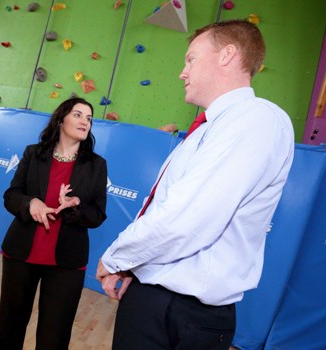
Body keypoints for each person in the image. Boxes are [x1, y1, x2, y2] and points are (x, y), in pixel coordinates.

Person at [96, 19, 295, 350]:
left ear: (227, 55)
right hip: (154, 297)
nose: (182, 72)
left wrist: (117, 258)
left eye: (191, 59)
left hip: (183, 311)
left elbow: (187, 219)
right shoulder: (205, 130)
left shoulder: (256, 118)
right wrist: (134, 268)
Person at [0, 97, 108, 350]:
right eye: (78, 115)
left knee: (54, 337)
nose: (84, 122)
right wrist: (31, 203)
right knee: (9, 328)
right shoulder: (34, 154)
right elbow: (11, 196)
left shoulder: (96, 165)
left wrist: (75, 205)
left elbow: (98, 215)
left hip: (67, 263)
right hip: (21, 254)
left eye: (89, 118)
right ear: (60, 119)